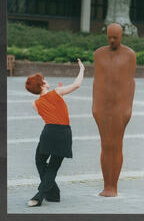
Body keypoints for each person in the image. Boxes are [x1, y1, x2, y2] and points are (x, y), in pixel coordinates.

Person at [25, 58, 85, 206]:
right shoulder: (57, 92)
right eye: (44, 80)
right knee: (53, 166)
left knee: (40, 161)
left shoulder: (35, 104)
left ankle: (51, 194)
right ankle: (43, 195)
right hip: (63, 133)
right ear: (43, 84)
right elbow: (77, 84)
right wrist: (82, 69)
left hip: (48, 132)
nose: (46, 80)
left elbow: (47, 108)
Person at [92, 23, 136, 197]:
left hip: (119, 108)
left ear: (121, 36)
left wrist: (128, 108)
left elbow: (131, 83)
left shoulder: (129, 55)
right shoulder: (98, 54)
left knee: (115, 146)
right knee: (105, 145)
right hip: (102, 107)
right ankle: (106, 185)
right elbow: (96, 82)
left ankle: (113, 186)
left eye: (115, 37)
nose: (111, 40)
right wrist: (94, 106)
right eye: (109, 37)